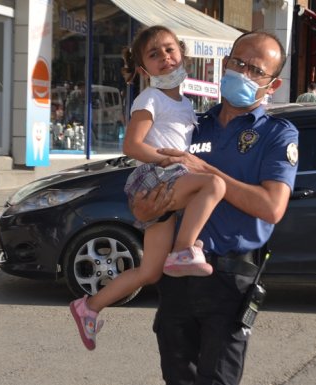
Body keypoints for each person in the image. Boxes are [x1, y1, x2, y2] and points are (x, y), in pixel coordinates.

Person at [133, 31, 298, 385]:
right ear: (225, 64)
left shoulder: (277, 135)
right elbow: (154, 184)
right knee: (176, 378)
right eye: (238, 63)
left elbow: (272, 207)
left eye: (256, 70)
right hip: (176, 275)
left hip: (229, 278)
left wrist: (205, 170)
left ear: (273, 84)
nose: (243, 73)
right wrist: (146, 211)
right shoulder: (192, 124)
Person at [69, 25, 226, 351]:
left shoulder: (184, 103)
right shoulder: (150, 97)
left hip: (165, 178)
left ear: (182, 52)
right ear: (143, 68)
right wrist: (173, 160)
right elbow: (132, 145)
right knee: (213, 183)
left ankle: (90, 306)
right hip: (154, 176)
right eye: (154, 55)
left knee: (151, 271)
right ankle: (185, 250)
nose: (165, 58)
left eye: (170, 50)